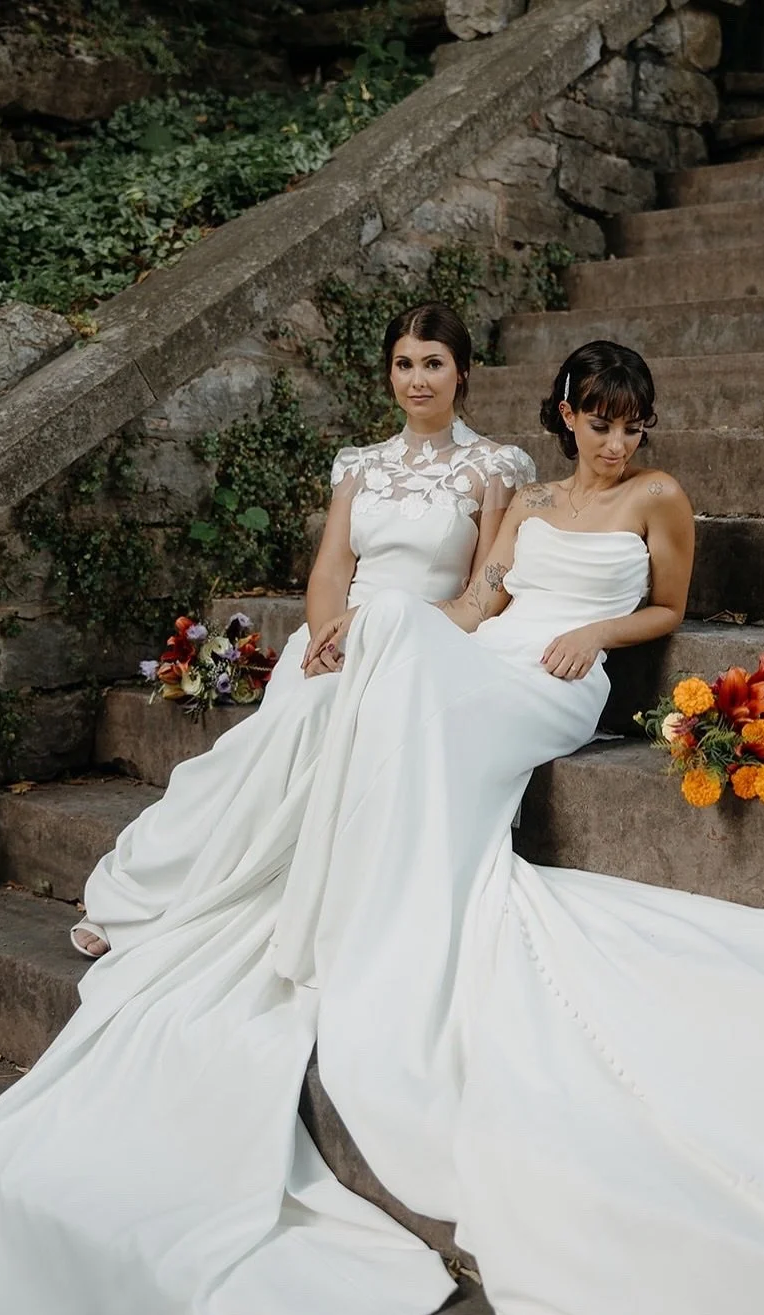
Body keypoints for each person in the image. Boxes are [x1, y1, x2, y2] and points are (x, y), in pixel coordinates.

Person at [0, 342, 764, 1315]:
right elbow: (475, 607)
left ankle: (335, 893)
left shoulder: (659, 497)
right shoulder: (525, 502)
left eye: (632, 425)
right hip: (489, 656)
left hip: (557, 680)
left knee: (395, 673)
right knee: (379, 643)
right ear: (564, 415)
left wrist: (593, 632)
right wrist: (376, 637)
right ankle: (306, 882)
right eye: (599, 423)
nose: (615, 443)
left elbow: (666, 608)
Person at [70, 301, 535, 958]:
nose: (417, 380)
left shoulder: (496, 467)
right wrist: (324, 640)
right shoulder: (359, 465)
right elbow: (332, 568)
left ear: (462, 371)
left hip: (421, 644)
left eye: (433, 364)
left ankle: (215, 893)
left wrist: (384, 636)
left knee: (313, 720)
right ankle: (152, 885)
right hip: (332, 641)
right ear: (388, 372)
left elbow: (481, 596)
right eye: (404, 364)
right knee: (272, 736)